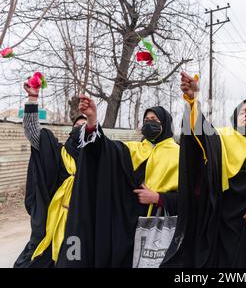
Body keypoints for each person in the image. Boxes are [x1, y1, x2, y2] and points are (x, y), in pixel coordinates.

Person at [161, 72, 246, 268]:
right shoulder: (222, 138)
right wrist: (193, 100)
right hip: (220, 225)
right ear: (235, 119)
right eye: (242, 111)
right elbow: (199, 132)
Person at [56, 95, 179, 267]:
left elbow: (192, 199)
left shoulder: (179, 155)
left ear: (165, 123)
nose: (149, 123)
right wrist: (92, 120)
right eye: (146, 120)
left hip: (162, 228)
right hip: (127, 227)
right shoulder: (133, 149)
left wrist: (159, 198)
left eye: (154, 119)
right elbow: (103, 149)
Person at [14, 82, 86, 268]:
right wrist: (33, 99)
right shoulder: (58, 152)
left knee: (77, 258)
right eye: (77, 125)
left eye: (85, 126)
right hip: (56, 215)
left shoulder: (102, 158)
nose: (80, 128)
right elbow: (33, 132)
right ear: (71, 130)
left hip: (85, 219)